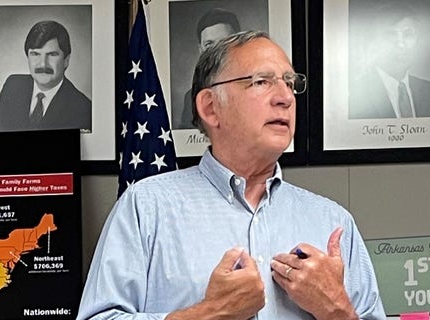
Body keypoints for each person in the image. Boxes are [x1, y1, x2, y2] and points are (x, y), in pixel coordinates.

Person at [77, 30, 385, 320]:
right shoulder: (146, 208)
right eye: (262, 81)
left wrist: (337, 310)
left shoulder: (333, 222)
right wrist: (211, 313)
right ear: (211, 108)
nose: (286, 97)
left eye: (290, 83)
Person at [349, 2, 430, 119]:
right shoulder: (356, 93)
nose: (401, 44)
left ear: (417, 41)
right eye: (391, 35)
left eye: (408, 35)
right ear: (374, 43)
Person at [0, 20, 91, 132]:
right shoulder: (12, 86)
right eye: (35, 54)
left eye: (52, 54)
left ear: (66, 60)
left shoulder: (83, 108)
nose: (43, 64)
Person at [174, 7, 240, 129]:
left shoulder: (257, 90)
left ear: (239, 45)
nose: (216, 50)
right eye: (209, 44)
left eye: (224, 41)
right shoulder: (190, 98)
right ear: (201, 50)